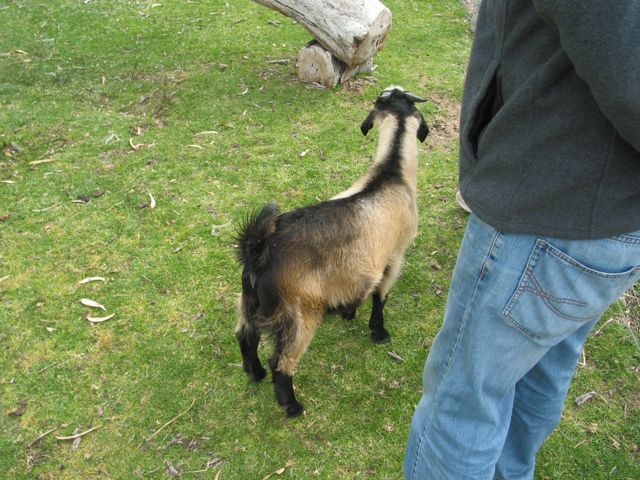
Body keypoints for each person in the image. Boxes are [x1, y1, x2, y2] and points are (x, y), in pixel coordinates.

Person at [404, 1, 640, 479]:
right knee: (538, 373)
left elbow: (625, 68)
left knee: (462, 404)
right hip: (598, 214)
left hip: (547, 211)